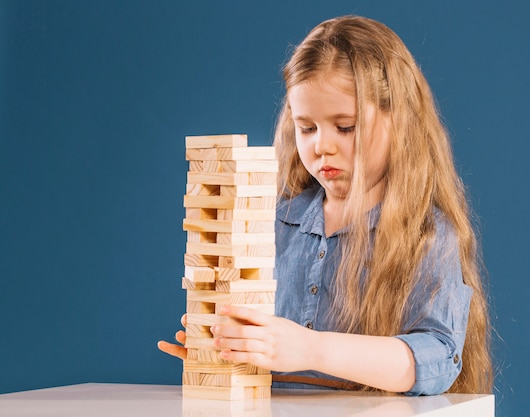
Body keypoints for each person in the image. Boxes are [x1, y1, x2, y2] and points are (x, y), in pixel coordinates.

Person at [158, 15, 493, 396]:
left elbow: (437, 358)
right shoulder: (275, 225)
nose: (322, 146)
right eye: (307, 128)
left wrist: (311, 349)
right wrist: (228, 347)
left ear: (399, 121)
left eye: (345, 127)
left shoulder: (426, 234)